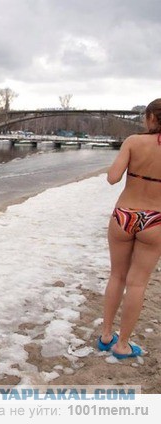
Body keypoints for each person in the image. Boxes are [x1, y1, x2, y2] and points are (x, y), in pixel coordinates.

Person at [98, 98, 161, 359]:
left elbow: (113, 178)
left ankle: (105, 335)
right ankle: (122, 345)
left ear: (149, 118)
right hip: (155, 219)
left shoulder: (133, 141)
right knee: (137, 284)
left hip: (124, 215)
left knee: (117, 276)